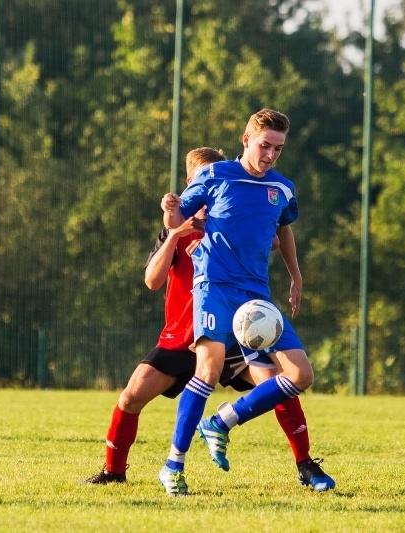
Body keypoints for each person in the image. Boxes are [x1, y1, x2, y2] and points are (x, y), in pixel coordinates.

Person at [81, 147, 332, 494]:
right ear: (191, 183)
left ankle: (305, 464)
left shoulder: (230, 225)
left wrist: (288, 266)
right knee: (130, 397)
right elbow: (152, 281)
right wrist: (175, 233)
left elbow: (272, 233)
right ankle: (113, 471)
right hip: (180, 338)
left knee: (279, 384)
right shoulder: (175, 231)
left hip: (234, 337)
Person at [158, 110, 333, 496]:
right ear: (245, 140)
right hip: (214, 286)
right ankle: (174, 464)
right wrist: (171, 209)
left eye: (278, 148)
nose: (270, 154)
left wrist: (296, 276)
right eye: (264, 145)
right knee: (208, 368)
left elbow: (283, 229)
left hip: (256, 295)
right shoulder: (216, 175)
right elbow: (176, 224)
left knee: (300, 374)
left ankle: (221, 422)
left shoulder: (282, 189)